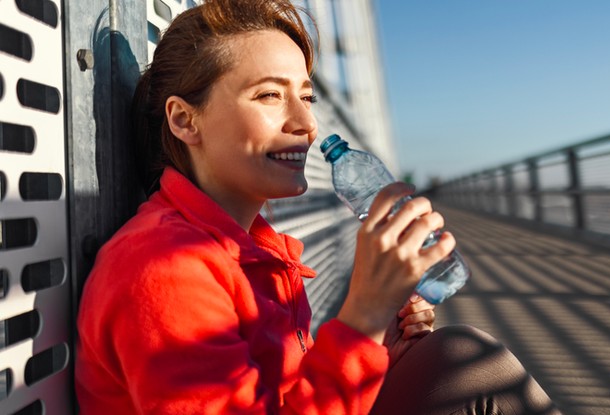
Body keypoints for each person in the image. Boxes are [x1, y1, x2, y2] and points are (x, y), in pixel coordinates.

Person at [75, 1, 560, 414]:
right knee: (473, 364)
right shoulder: (163, 270)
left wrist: (376, 344)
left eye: (306, 96)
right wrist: (363, 315)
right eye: (269, 95)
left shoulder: (250, 249)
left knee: (458, 354)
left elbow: (280, 395)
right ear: (185, 119)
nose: (306, 123)